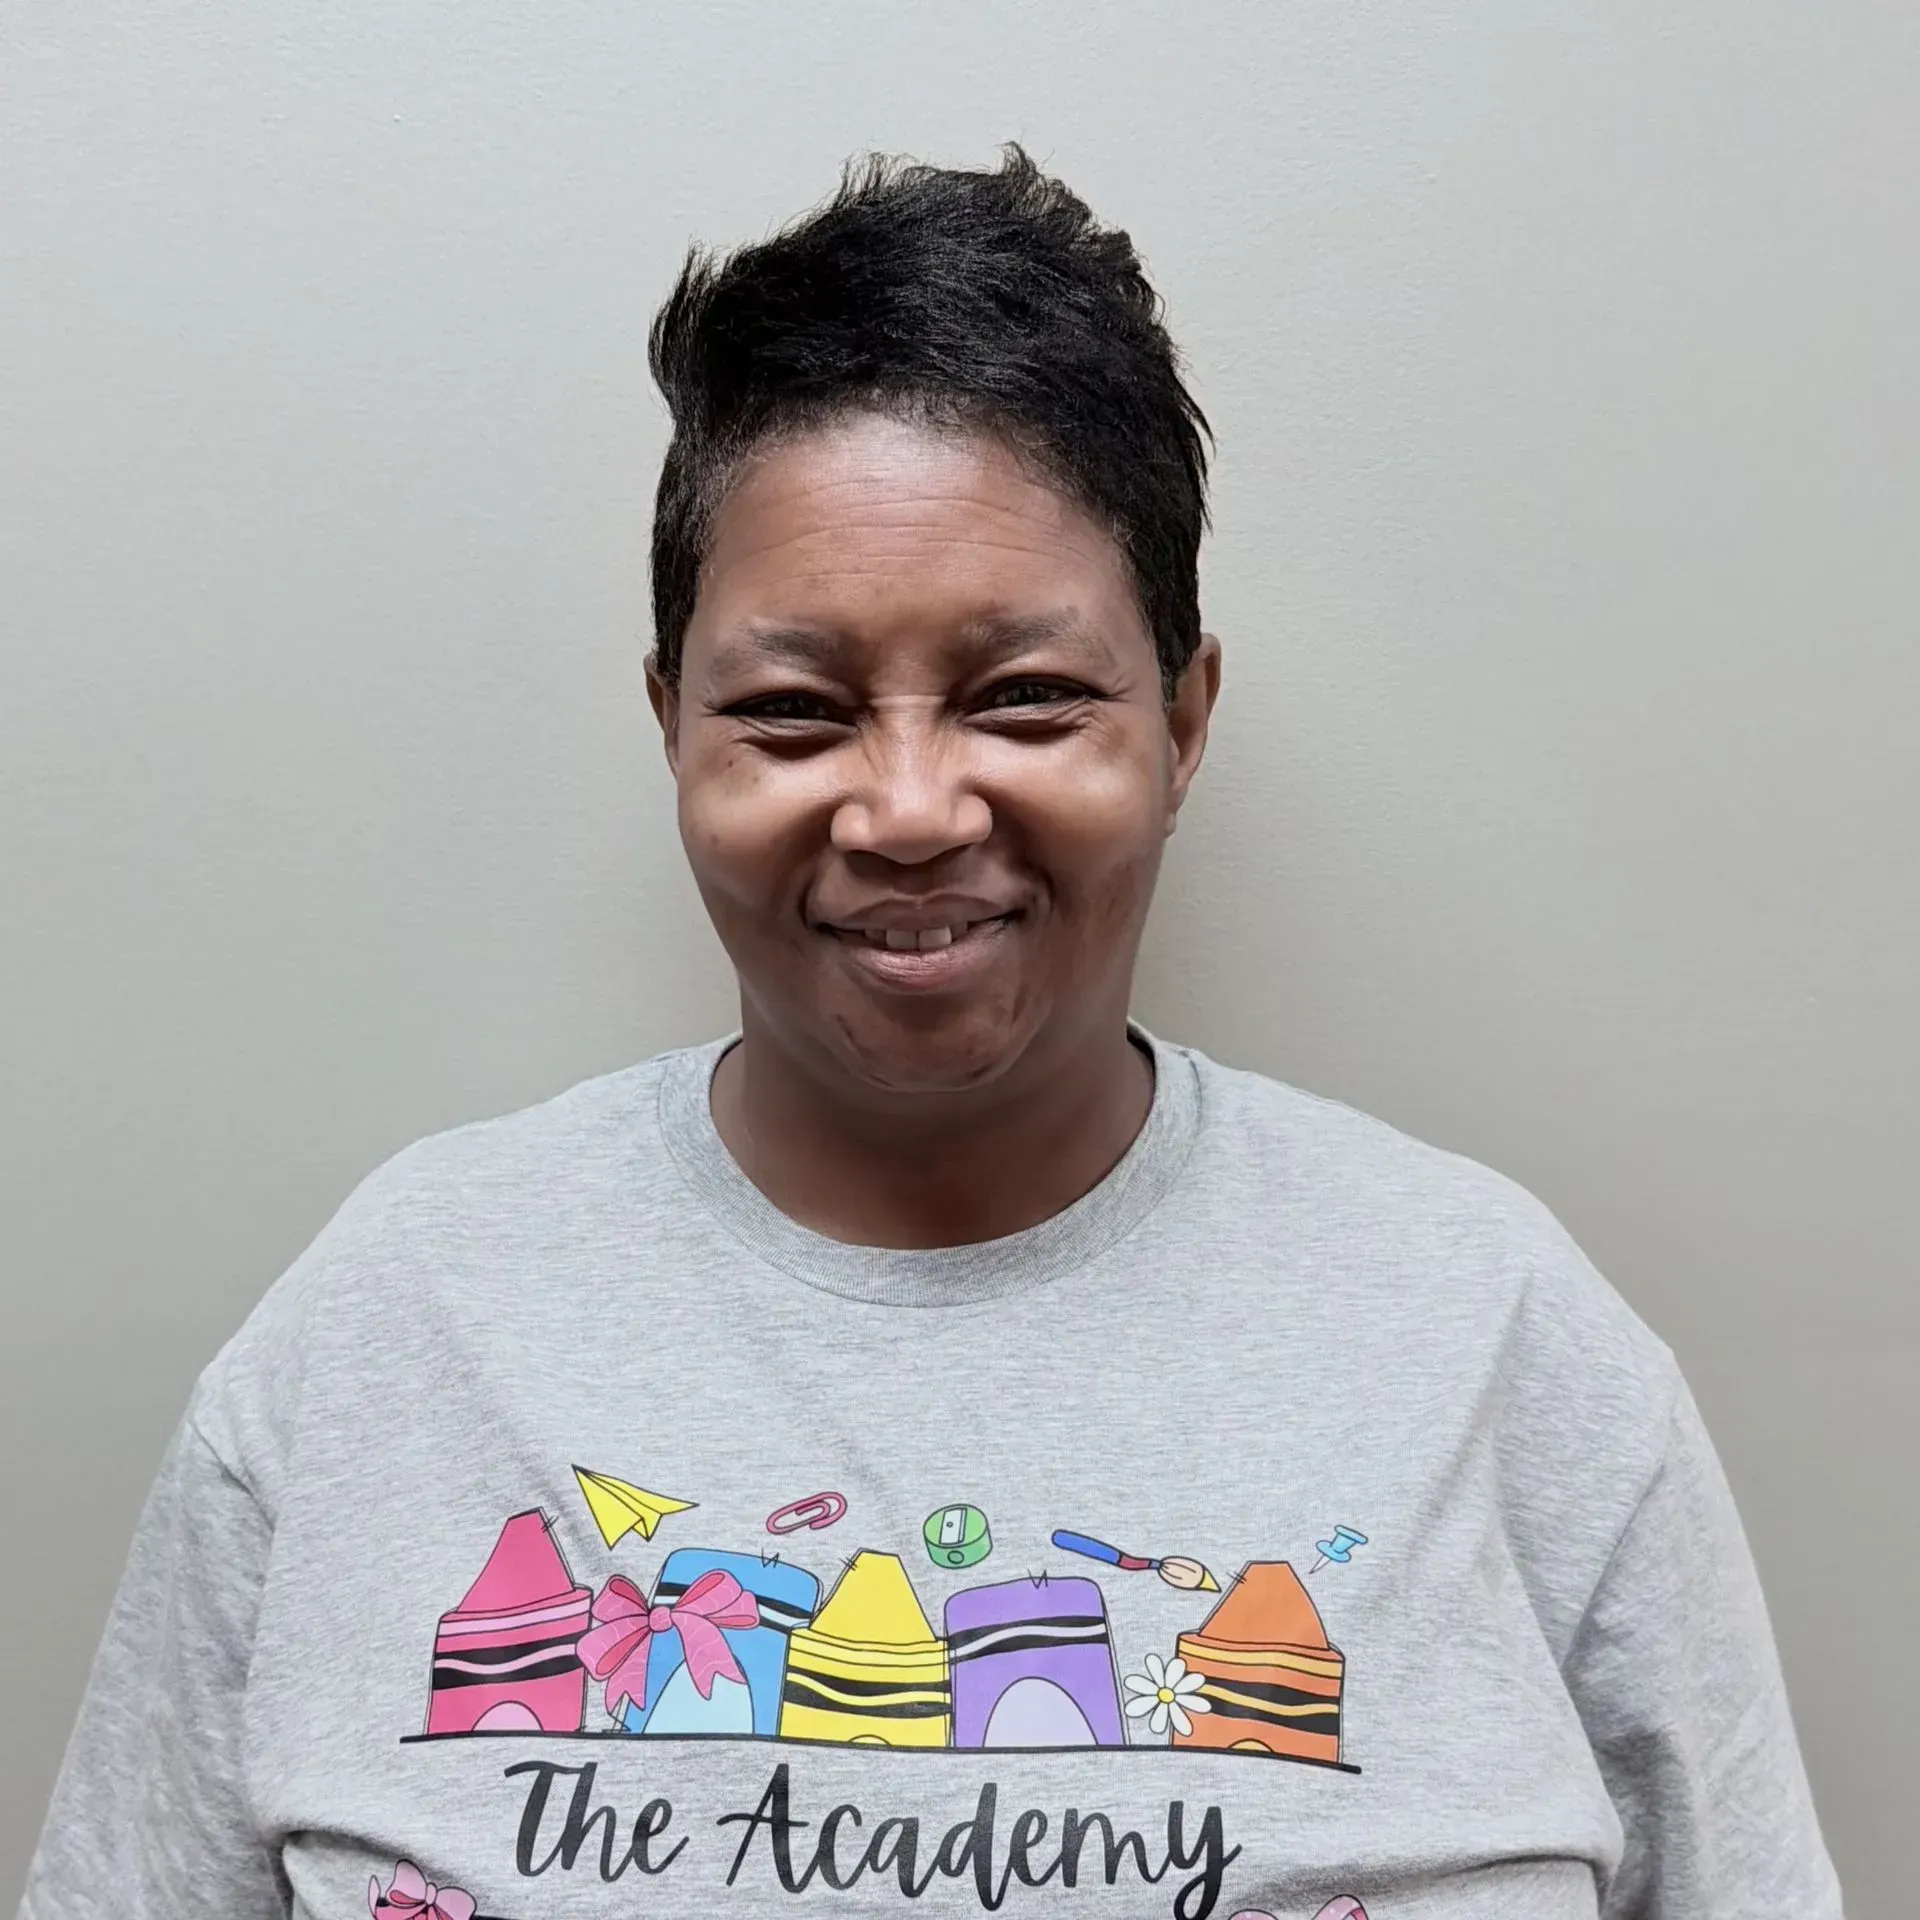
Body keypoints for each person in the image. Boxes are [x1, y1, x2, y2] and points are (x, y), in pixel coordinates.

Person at [19, 146, 1841, 1920]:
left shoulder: (1498, 1338)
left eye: (1026, 697)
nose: (906, 807)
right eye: (797, 709)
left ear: (1184, 719)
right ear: (675, 725)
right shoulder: (386, 1330)